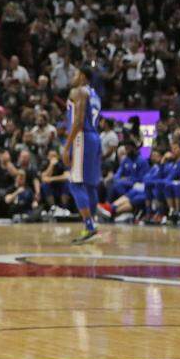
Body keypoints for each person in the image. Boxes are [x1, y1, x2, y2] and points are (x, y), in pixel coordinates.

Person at [62, 63, 101, 244]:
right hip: (94, 137)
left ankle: (88, 225)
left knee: (75, 183)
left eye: (76, 72)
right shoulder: (95, 94)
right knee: (90, 184)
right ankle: (93, 222)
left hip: (82, 138)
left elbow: (77, 122)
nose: (74, 75)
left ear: (83, 76)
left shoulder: (78, 92)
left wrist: (66, 147)